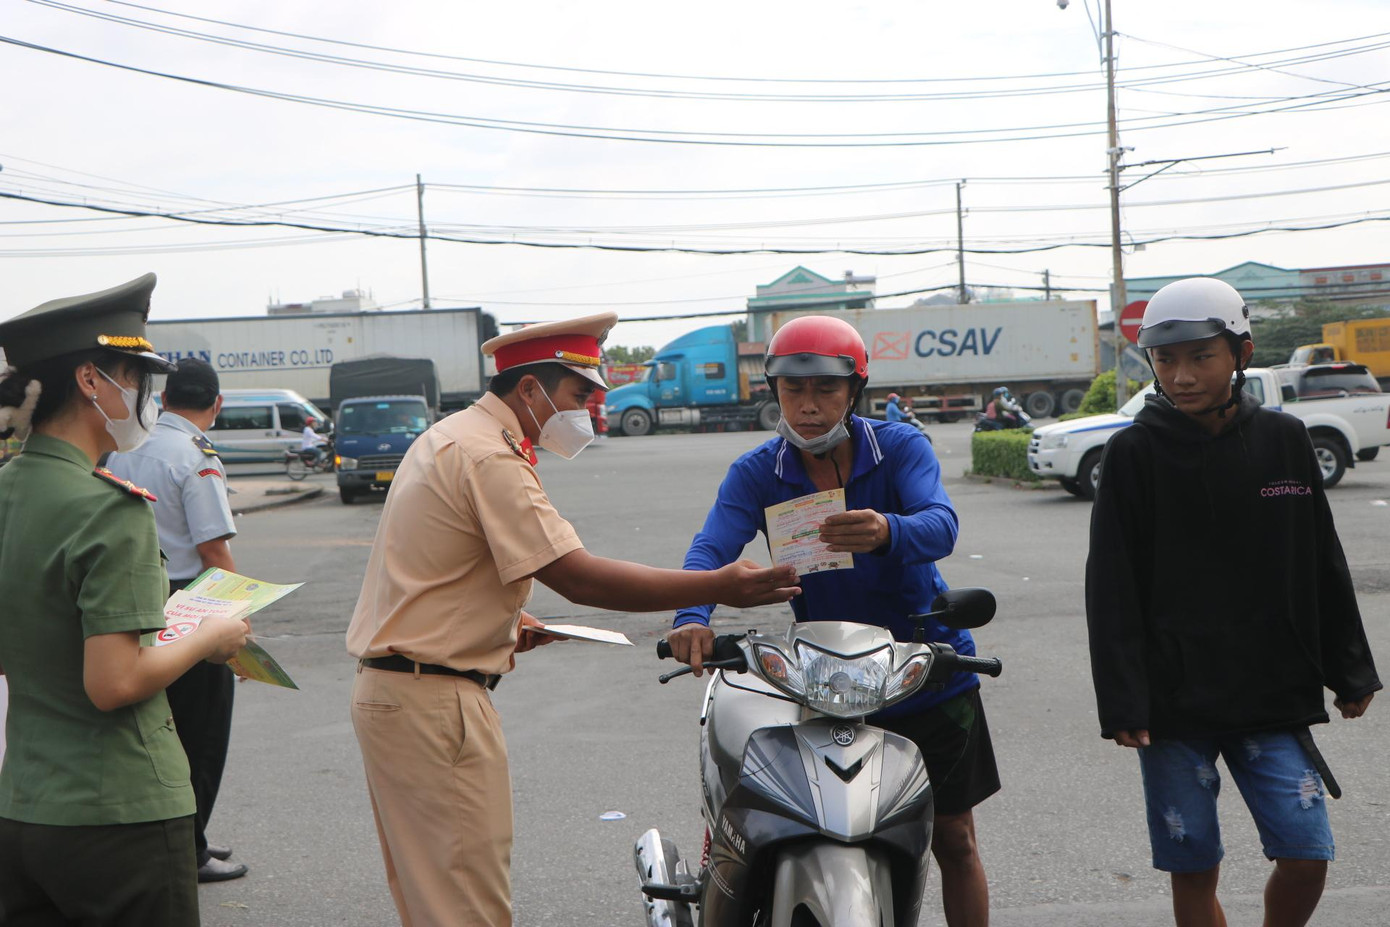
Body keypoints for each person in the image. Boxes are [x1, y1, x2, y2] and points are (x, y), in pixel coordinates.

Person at [345, 311, 801, 927]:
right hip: (433, 702)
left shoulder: (452, 434)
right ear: (530, 389)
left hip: (404, 690)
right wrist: (719, 586)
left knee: (434, 901)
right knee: (464, 907)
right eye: (578, 393)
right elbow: (577, 575)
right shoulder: (489, 456)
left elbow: (438, 570)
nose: (587, 409)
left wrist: (502, 619)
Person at [667, 315, 999, 927]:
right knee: (810, 822)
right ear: (774, 393)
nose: (809, 407)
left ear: (855, 391)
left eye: (825, 389)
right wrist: (693, 614)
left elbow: (941, 524)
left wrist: (887, 530)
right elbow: (710, 549)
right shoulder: (756, 473)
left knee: (953, 838)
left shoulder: (900, 447)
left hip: (924, 670)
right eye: (793, 391)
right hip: (825, 678)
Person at [1085, 277, 1382, 927]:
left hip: (1270, 689)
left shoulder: (1283, 441)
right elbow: (1110, 585)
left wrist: (1350, 666)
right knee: (1194, 864)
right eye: (1166, 360)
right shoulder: (1132, 454)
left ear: (1240, 353)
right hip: (1172, 700)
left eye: (1200, 356)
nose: (1182, 375)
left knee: (1307, 855)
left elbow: (1321, 560)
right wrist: (1124, 699)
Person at [0, 274, 249, 925]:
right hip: (120, 815)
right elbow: (114, 683)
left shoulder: (8, 490)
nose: (147, 398)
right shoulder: (109, 510)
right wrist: (209, 636)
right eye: (135, 378)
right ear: (90, 381)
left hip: (25, 806)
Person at [106, 356, 247, 883]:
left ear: (164, 399)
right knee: (202, 732)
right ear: (217, 404)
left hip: (130, 595)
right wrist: (236, 623)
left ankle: (175, 839)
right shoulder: (195, 455)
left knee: (153, 731)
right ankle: (189, 851)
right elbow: (213, 550)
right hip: (190, 600)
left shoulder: (125, 447)